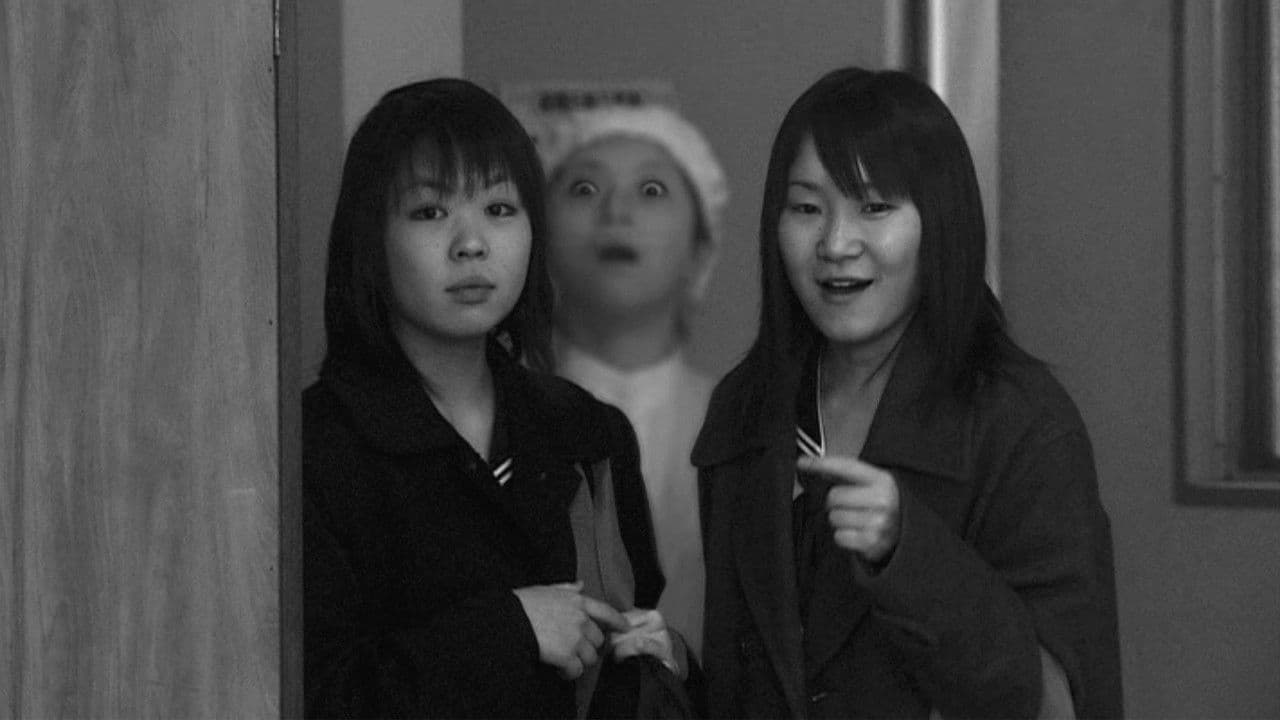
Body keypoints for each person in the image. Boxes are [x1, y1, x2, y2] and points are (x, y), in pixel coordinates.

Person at [692, 67, 1123, 718]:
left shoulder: (1019, 418)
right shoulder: (747, 407)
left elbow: (1058, 703)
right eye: (807, 209)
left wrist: (911, 554)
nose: (836, 244)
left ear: (940, 223)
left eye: (875, 207)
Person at [302, 78, 671, 718]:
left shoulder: (589, 433)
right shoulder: (317, 447)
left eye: (500, 208)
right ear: (372, 240)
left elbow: (625, 655)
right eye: (430, 212)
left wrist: (661, 660)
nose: (471, 243)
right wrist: (511, 629)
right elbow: (316, 694)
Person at [520, 102, 729, 670]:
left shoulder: (741, 423)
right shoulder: (499, 422)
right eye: (585, 189)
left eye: (651, 190)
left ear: (701, 249)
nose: (616, 211)